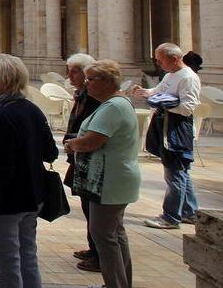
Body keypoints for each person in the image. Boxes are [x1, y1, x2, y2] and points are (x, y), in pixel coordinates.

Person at [0, 54, 58, 288]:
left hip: (6, 202)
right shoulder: (33, 110)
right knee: (28, 257)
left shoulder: (3, 116)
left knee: (8, 263)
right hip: (33, 197)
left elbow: (0, 168)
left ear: (6, 80)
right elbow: (50, 152)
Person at [64, 60, 141, 288]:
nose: (86, 84)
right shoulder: (112, 104)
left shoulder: (113, 107)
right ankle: (121, 283)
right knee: (114, 234)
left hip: (109, 181)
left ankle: (115, 284)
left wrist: (72, 144)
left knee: (104, 236)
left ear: (108, 82)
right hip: (112, 178)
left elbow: (93, 141)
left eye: (91, 79)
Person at [133, 42, 201, 229]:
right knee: (181, 172)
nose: (158, 63)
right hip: (164, 126)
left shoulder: (188, 77)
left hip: (175, 130)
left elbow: (187, 108)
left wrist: (164, 103)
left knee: (174, 174)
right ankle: (190, 212)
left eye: (161, 60)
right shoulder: (171, 74)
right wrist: (145, 93)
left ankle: (171, 217)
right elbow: (158, 92)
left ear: (174, 58)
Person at [61, 53, 102, 272]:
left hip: (91, 160)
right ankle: (93, 246)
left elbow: (94, 131)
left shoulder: (95, 98)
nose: (70, 75)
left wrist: (74, 140)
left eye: (74, 71)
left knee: (94, 208)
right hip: (79, 156)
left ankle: (99, 253)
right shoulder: (82, 95)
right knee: (88, 206)